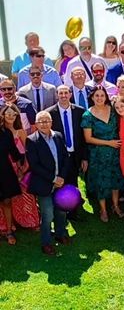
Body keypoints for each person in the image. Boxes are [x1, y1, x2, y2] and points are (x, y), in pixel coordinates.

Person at [26, 110, 71, 255]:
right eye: (41, 121)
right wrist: (53, 179)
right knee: (47, 215)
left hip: (60, 182)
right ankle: (46, 242)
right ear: (36, 124)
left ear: (51, 122)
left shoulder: (58, 136)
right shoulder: (31, 140)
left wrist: (62, 177)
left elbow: (65, 157)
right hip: (44, 184)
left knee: (62, 210)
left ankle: (60, 233)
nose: (44, 124)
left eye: (47, 120)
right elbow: (35, 165)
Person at [81, 87, 124, 222]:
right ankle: (103, 209)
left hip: (115, 152)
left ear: (106, 97)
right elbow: (88, 138)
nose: (99, 98)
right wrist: (108, 143)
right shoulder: (87, 115)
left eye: (102, 95)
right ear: (92, 98)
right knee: (101, 181)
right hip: (98, 153)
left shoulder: (113, 110)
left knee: (115, 179)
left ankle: (116, 206)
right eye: (97, 96)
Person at [0, 104, 38, 240]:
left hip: (19, 168)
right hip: (6, 168)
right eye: (7, 114)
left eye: (13, 114)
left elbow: (24, 153)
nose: (10, 116)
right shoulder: (3, 132)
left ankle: (26, 221)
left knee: (21, 196)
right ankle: (6, 225)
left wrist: (23, 170)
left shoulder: (19, 132)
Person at [47, 86, 88, 194]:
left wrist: (84, 157)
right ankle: (60, 206)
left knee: (73, 182)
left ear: (70, 94)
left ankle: (73, 205)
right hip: (59, 154)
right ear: (57, 95)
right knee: (60, 182)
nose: (63, 96)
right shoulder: (50, 113)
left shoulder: (79, 111)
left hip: (75, 153)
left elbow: (83, 137)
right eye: (61, 93)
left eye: (66, 93)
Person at [0, 108, 24, 245]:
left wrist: (22, 165)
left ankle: (9, 231)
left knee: (7, 201)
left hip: (4, 172)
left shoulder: (6, 133)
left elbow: (14, 153)